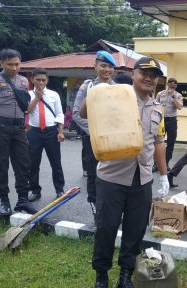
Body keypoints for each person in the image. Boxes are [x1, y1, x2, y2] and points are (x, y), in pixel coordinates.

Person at [81, 56, 169, 288]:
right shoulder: (113, 95)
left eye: (154, 75)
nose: (149, 78)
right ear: (133, 73)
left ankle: (125, 275)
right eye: (144, 73)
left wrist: (164, 174)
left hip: (143, 178)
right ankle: (101, 275)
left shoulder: (158, 107)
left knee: (135, 230)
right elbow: (83, 113)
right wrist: (96, 92)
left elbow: (159, 142)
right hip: (112, 175)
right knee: (106, 228)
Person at [0, 49, 36, 215]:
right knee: (0, 164)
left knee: (23, 164)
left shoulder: (24, 81)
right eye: (10, 64)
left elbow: (25, 104)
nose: (14, 68)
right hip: (0, 128)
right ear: (1, 63)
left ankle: (23, 200)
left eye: (17, 64)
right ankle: (4, 201)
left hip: (19, 128)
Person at [73, 50, 116, 220]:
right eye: (103, 65)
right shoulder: (87, 87)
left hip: (113, 140)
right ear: (95, 66)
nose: (107, 70)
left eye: (110, 67)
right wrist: (96, 132)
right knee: (94, 173)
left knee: (113, 173)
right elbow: (77, 114)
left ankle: (110, 206)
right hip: (92, 139)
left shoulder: (118, 89)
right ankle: (95, 206)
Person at [26, 68, 65, 201]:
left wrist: (60, 131)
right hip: (34, 132)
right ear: (32, 80)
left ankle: (60, 189)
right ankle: (35, 191)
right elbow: (28, 111)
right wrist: (37, 98)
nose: (41, 82)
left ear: (47, 80)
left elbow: (59, 113)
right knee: (33, 163)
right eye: (38, 80)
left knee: (55, 162)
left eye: (43, 80)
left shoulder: (54, 94)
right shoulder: (28, 94)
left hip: (51, 132)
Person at [156, 78, 183, 169]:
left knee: (171, 143)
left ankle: (166, 163)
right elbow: (156, 106)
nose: (173, 85)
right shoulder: (160, 94)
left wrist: (173, 97)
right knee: (159, 142)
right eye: (171, 83)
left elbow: (179, 107)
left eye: (175, 84)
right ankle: (157, 164)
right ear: (168, 84)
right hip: (161, 120)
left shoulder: (178, 95)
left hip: (172, 121)